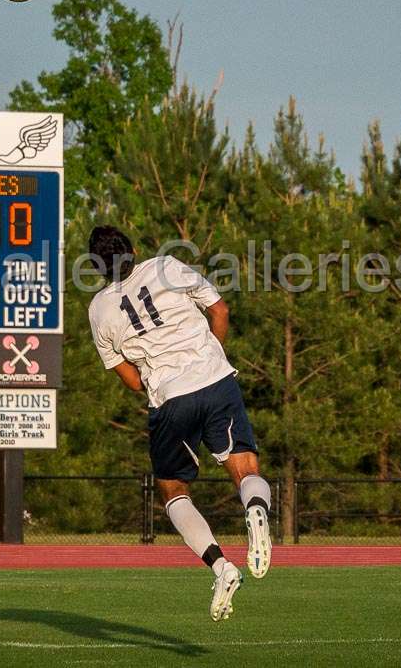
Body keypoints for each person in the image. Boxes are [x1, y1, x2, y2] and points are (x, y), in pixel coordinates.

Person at [87, 225, 272, 622]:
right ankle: (256, 508)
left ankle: (221, 566)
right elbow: (219, 309)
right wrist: (210, 357)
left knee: (173, 491)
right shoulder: (167, 266)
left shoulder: (99, 309)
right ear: (134, 250)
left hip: (170, 397)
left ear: (97, 266)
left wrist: (162, 381)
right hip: (216, 380)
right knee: (245, 468)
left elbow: (133, 380)